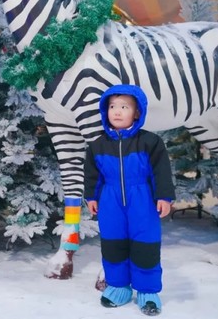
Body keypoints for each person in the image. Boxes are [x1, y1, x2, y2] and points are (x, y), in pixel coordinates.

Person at [84, 84, 175, 316]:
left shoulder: (150, 142)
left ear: (137, 112)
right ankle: (118, 286)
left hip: (142, 198)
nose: (116, 111)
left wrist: (164, 196)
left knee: (146, 243)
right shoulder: (97, 146)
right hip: (110, 200)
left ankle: (147, 290)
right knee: (113, 244)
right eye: (112, 106)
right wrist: (91, 197)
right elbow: (92, 174)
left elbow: (161, 171)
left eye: (124, 106)